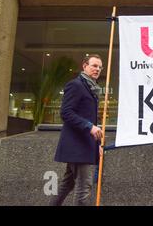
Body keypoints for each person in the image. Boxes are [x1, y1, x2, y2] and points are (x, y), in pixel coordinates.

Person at [50, 54, 104, 206]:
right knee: (83, 187)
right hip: (77, 146)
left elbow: (90, 120)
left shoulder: (91, 88)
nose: (97, 69)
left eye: (100, 67)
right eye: (94, 65)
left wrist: (97, 145)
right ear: (84, 66)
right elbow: (66, 113)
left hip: (85, 145)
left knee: (67, 184)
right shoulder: (76, 85)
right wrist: (89, 126)